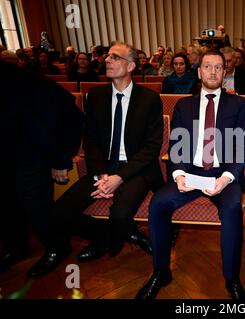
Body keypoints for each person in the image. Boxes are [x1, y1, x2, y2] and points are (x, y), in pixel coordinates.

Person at [27, 41, 165, 278]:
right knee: (59, 213)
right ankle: (110, 235)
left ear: (131, 65)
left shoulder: (150, 99)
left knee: (120, 214)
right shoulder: (96, 96)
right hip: (103, 167)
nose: (107, 61)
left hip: (135, 169)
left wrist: (119, 178)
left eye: (115, 57)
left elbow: (151, 148)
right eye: (107, 57)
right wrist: (101, 174)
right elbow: (90, 140)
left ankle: (114, 235)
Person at [135, 50, 245, 300]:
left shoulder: (238, 104)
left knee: (232, 208)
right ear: (198, 72)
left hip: (223, 174)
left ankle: (232, 278)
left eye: (218, 67)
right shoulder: (184, 105)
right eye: (207, 67)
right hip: (190, 173)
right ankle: (161, 271)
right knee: (158, 203)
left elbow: (243, 146)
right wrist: (177, 174)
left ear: (224, 72)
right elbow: (176, 145)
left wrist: (228, 177)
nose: (212, 71)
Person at [0, 61, 83, 272]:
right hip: (8, 151)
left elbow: (66, 119)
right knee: (7, 201)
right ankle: (16, 246)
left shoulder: (22, 80)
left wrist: (60, 159)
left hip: (35, 152)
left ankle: (58, 245)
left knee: (34, 202)